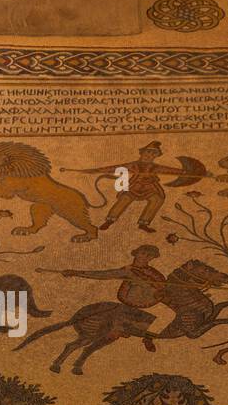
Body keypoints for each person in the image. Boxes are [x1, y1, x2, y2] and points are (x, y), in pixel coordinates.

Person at [66, 142, 207, 233]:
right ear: (142, 153)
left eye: (153, 154)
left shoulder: (156, 167)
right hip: (134, 186)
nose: (149, 155)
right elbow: (112, 168)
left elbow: (172, 170)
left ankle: (144, 223)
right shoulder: (132, 165)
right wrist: (92, 171)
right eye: (147, 152)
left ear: (156, 156)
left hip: (151, 187)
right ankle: (109, 221)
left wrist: (189, 173)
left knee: (157, 199)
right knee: (124, 199)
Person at [61, 244, 174, 337]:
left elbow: (163, 285)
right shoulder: (127, 271)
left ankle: (147, 337)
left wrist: (162, 291)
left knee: (169, 315)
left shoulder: (152, 271)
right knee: (164, 316)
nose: (145, 257)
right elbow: (103, 275)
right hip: (133, 301)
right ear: (136, 253)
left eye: (150, 256)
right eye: (143, 253)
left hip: (151, 302)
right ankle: (137, 334)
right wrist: (77, 273)